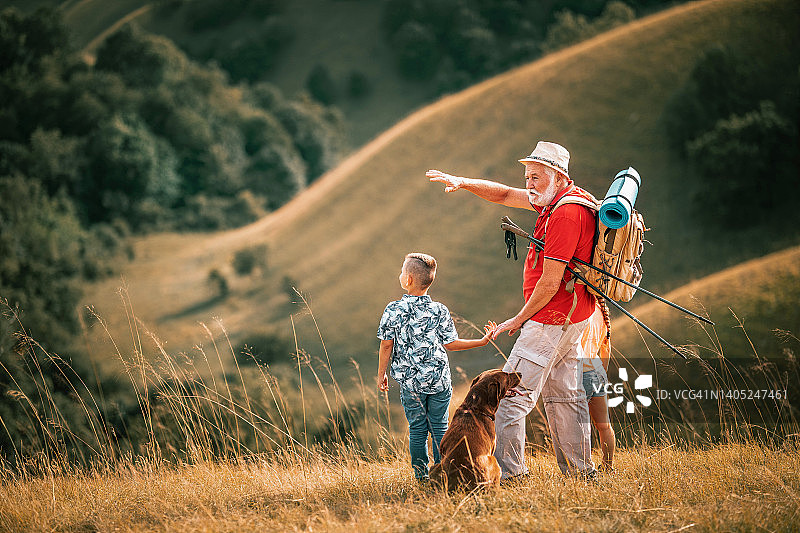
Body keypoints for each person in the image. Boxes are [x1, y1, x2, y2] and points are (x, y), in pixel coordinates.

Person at [427, 140, 597, 479]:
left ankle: (511, 477)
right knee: (566, 399)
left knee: (507, 401)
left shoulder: (564, 214)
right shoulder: (564, 201)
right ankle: (581, 474)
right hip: (573, 319)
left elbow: (550, 282)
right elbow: (504, 194)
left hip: (549, 320)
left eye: (537, 176)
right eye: (527, 176)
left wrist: (519, 319)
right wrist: (462, 181)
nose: (529, 184)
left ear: (559, 177)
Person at [377, 252, 498, 481]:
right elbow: (451, 344)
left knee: (417, 430)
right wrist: (481, 341)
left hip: (411, 384)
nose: (400, 274)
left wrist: (382, 374)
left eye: (403, 271)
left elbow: (386, 346)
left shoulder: (393, 310)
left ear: (409, 279)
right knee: (440, 428)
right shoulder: (439, 310)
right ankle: (445, 472)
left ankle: (422, 476)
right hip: (439, 381)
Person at [580, 300, 615, 472]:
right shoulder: (602, 312)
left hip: (580, 372)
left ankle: (582, 467)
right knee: (604, 425)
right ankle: (608, 467)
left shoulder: (581, 308)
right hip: (597, 369)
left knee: (578, 424)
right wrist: (602, 373)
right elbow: (606, 349)